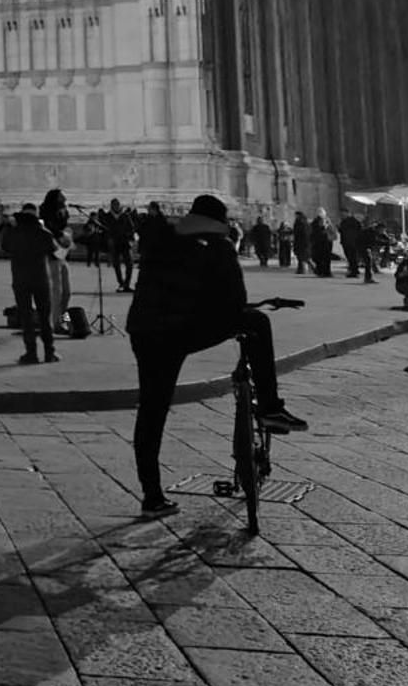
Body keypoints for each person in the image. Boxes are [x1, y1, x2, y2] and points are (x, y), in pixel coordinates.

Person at [127, 192, 307, 518]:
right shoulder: (219, 246)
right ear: (220, 222)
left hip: (145, 330)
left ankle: (152, 495)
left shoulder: (161, 241)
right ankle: (270, 406)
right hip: (184, 329)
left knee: (152, 410)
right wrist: (252, 308)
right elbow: (234, 302)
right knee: (256, 322)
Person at [1, 201, 58, 365]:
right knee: (45, 316)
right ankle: (49, 352)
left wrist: (8, 227)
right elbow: (54, 248)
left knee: (26, 317)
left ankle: (31, 353)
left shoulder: (13, 232)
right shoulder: (43, 232)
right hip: (41, 278)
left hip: (21, 279)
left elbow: (5, 246)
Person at [39, 188, 72, 334]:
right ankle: (56, 324)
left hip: (63, 255)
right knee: (56, 293)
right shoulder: (45, 213)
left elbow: (65, 229)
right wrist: (60, 235)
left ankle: (65, 321)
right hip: (52, 256)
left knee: (67, 293)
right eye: (61, 197)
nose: (64, 199)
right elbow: (48, 230)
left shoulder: (63, 213)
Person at [309, 213, 334, 279]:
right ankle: (323, 271)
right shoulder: (316, 224)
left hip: (325, 242)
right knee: (322, 258)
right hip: (322, 243)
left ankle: (324, 271)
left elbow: (332, 231)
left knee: (324, 258)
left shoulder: (326, 223)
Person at [292, 210, 310, 276]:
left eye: (296, 215)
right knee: (299, 256)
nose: (295, 216)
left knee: (302, 256)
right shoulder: (299, 222)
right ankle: (300, 269)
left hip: (302, 241)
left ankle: (303, 269)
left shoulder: (302, 223)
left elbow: (304, 233)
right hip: (298, 241)